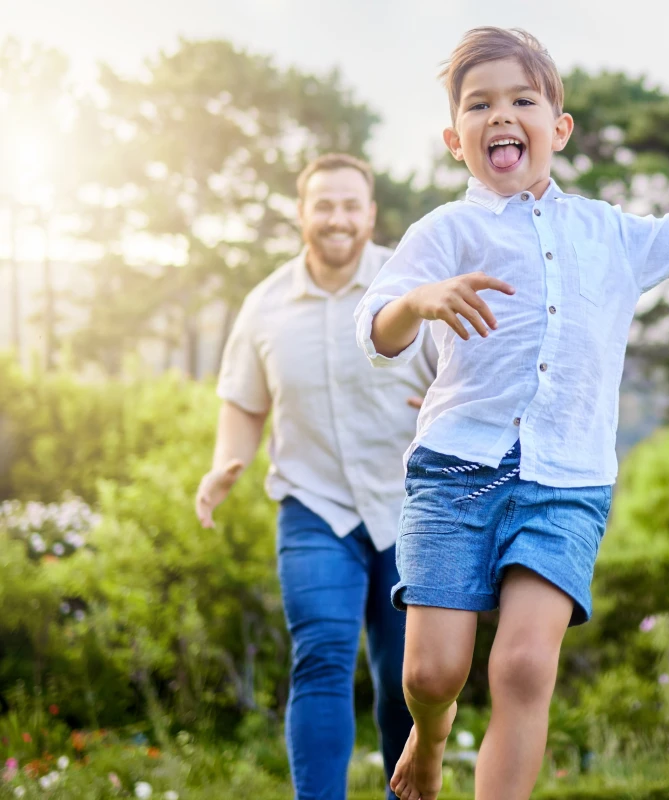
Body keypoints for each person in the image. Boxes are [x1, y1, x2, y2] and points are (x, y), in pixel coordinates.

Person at [353, 26, 669, 800]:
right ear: (454, 137)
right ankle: (429, 740)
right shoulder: (446, 230)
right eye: (480, 105)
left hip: (566, 481)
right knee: (433, 673)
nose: (501, 116)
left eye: (521, 100)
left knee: (526, 666)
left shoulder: (610, 233)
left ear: (558, 128)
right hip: (454, 471)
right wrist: (419, 300)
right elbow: (375, 332)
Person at [194, 153, 436, 800]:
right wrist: (224, 466)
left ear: (370, 214)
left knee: (405, 679)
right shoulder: (266, 305)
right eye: (323, 205)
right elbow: (244, 402)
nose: (337, 218)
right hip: (313, 506)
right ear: (302, 213)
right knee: (322, 659)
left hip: (410, 507)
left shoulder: (409, 281)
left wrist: (453, 411)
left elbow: (464, 375)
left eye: (350, 205)